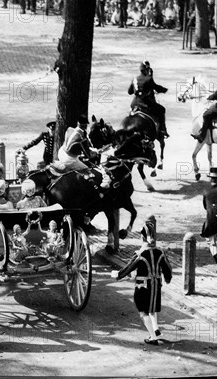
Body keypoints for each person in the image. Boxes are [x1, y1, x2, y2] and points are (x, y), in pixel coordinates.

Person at [112, 215, 172, 345]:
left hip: (142, 287)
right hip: (156, 285)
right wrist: (168, 278)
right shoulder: (160, 251)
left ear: (143, 237)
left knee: (143, 312)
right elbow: (167, 268)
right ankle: (156, 331)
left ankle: (152, 337)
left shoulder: (140, 254)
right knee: (152, 309)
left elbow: (128, 268)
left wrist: (118, 275)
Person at [57, 114, 111, 189]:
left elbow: (74, 146)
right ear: (85, 126)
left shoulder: (69, 129)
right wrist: (97, 152)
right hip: (69, 159)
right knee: (90, 173)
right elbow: (88, 155)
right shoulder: (82, 139)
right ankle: (95, 190)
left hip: (61, 152)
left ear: (77, 123)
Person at [128, 60, 169, 138]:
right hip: (146, 105)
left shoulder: (135, 79)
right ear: (147, 70)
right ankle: (162, 130)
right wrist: (164, 90)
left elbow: (129, 92)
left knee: (130, 115)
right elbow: (156, 88)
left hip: (134, 105)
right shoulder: (149, 79)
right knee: (162, 110)